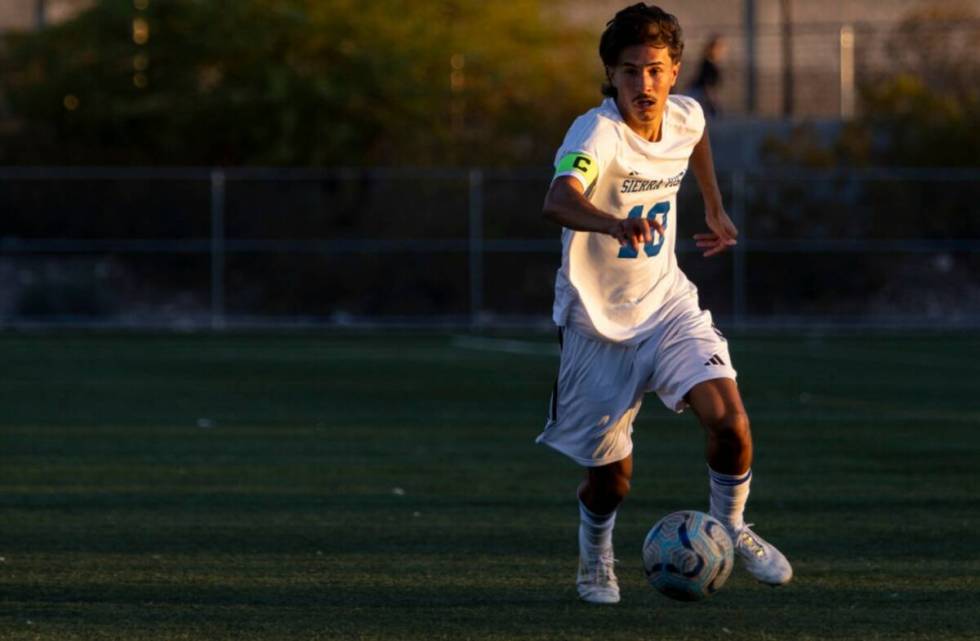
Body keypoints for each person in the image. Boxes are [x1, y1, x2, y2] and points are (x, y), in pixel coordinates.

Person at [536, 3, 792, 605]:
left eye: (654, 70)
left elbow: (694, 139)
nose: (643, 85)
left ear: (674, 70)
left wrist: (713, 205)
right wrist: (610, 222)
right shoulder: (594, 133)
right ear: (611, 75)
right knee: (611, 481)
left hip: (667, 304)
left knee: (730, 422)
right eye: (629, 72)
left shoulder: (685, 114)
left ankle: (731, 524)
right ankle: (596, 553)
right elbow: (557, 199)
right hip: (597, 325)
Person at [688, 34, 726, 117]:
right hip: (700, 95)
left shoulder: (714, 64)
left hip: (705, 96)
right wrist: (712, 101)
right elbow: (706, 84)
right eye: (718, 48)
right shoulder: (707, 64)